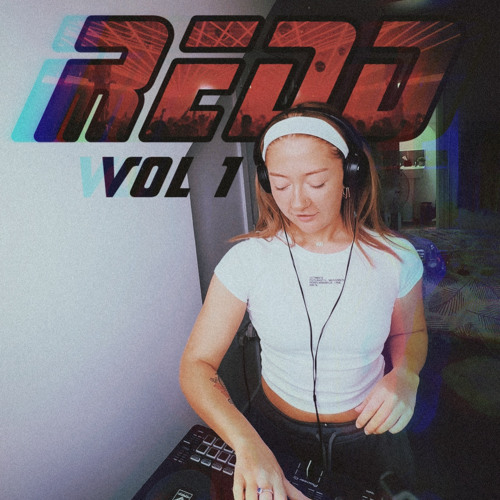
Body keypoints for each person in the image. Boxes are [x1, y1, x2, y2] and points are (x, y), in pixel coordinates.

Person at [179, 102, 427, 500]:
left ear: (350, 174)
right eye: (280, 185)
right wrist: (246, 442)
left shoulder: (397, 258)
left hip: (371, 439)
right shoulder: (247, 260)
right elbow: (196, 365)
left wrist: (406, 374)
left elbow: (409, 333)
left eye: (316, 182)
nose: (297, 203)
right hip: (273, 435)